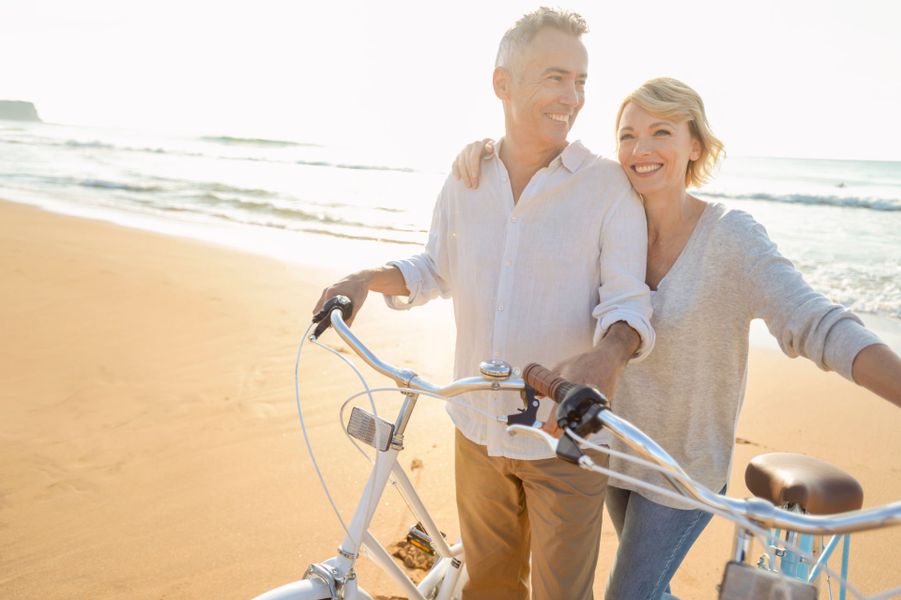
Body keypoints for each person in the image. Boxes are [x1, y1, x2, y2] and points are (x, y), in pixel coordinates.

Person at [452, 77, 901, 599]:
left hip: (681, 469)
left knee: (629, 594)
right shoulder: (604, 220)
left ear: (695, 146)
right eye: (627, 135)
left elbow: (817, 322)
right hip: (611, 449)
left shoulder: (731, 237)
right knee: (650, 589)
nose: (640, 149)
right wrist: (484, 155)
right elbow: (531, 192)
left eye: (661, 132)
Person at [313, 9, 655, 600]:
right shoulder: (466, 177)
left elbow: (629, 303)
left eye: (580, 81)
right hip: (474, 429)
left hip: (561, 439)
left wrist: (609, 356)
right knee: (489, 589)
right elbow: (435, 267)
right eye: (555, 77)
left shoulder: (608, 187)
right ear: (503, 83)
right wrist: (367, 278)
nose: (572, 97)